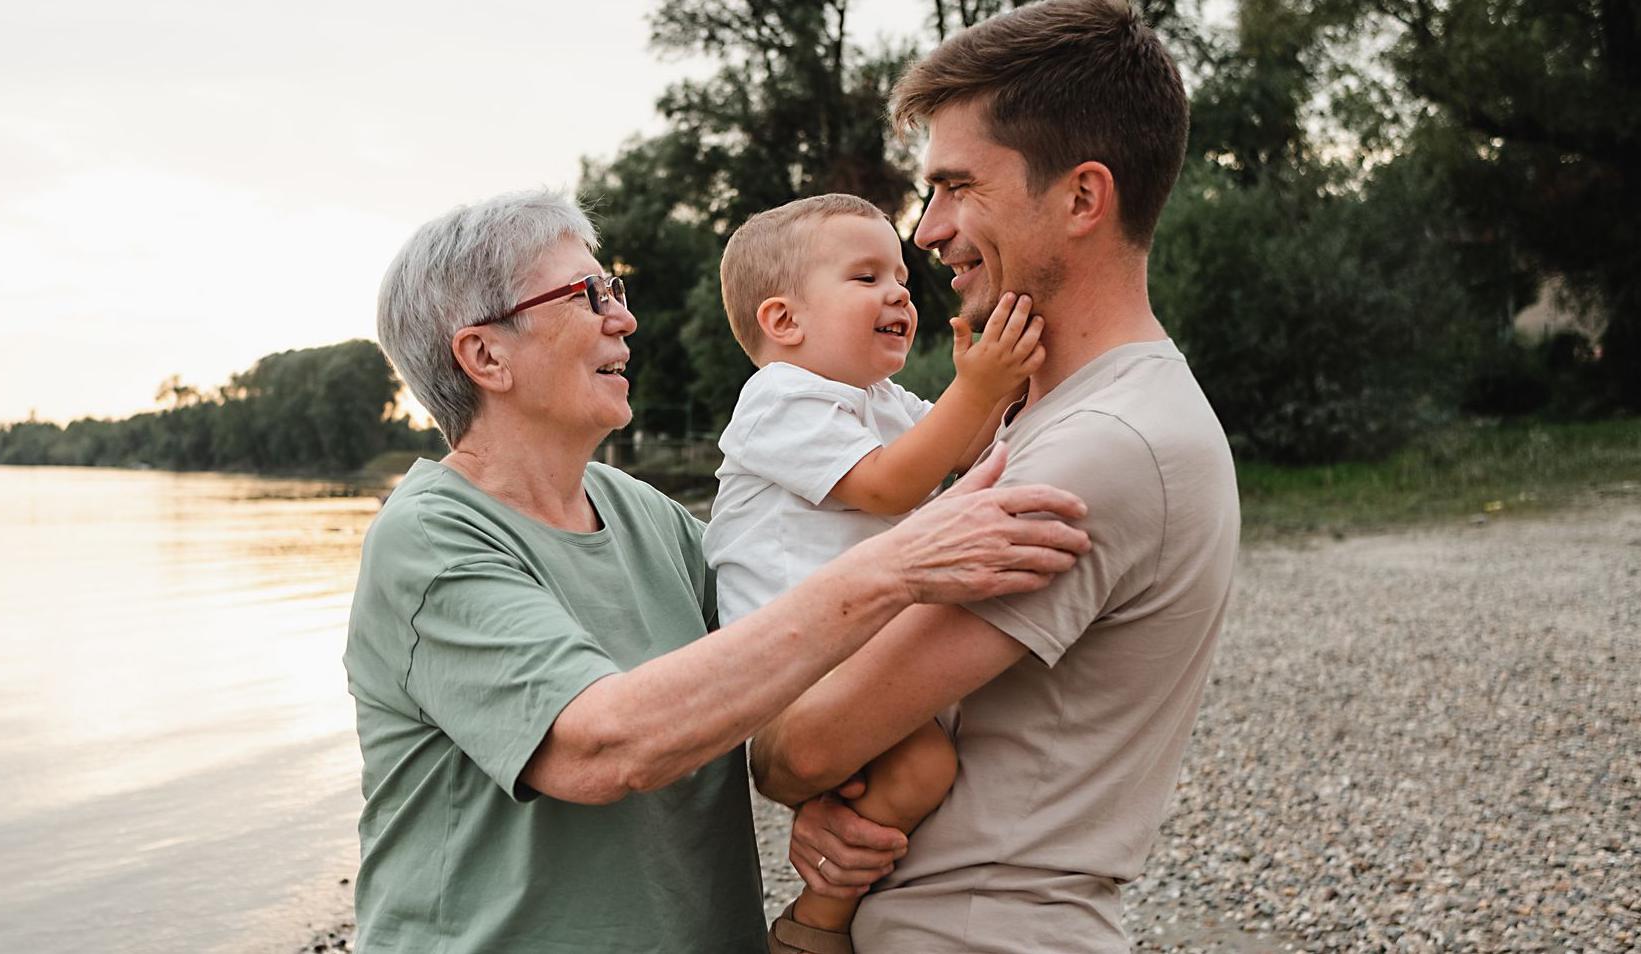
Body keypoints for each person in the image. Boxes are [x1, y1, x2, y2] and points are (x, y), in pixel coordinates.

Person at [341, 190, 1093, 953]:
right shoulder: (430, 539)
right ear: (485, 356)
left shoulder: (642, 514)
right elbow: (602, 748)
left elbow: (762, 667)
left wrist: (837, 791)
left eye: (616, 291)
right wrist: (894, 568)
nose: (623, 317)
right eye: (586, 294)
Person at [749, 2, 1242, 952]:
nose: (926, 231)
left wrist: (807, 768)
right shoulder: (1051, 414)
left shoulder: (1106, 444)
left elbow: (801, 745)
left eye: (955, 187)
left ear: (1082, 198)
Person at [703, 192, 1044, 950]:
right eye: (864, 278)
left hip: (853, 649)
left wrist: (990, 393)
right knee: (923, 767)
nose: (897, 290)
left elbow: (958, 451)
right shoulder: (778, 400)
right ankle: (814, 923)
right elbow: (890, 484)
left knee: (928, 761)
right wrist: (977, 391)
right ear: (783, 321)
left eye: (897, 274)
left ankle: (870, 896)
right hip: (795, 668)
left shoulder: (879, 399)